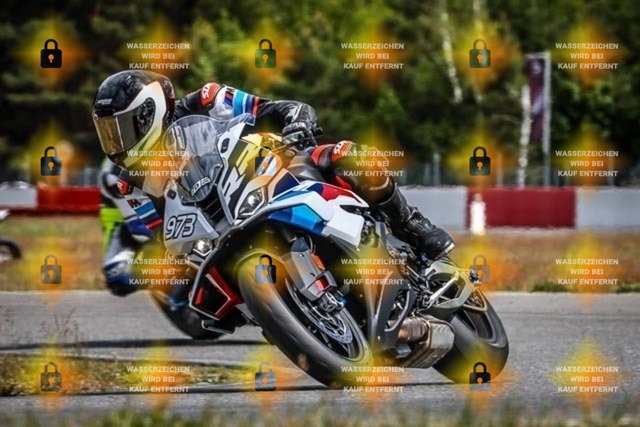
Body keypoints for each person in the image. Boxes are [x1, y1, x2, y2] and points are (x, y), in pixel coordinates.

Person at [92, 71, 454, 260]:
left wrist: (297, 121)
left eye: (121, 128)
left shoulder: (208, 99)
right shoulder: (131, 183)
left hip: (270, 170)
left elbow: (270, 108)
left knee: (348, 156)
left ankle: (410, 224)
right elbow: (162, 239)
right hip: (221, 231)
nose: (116, 142)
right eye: (107, 132)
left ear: (149, 112)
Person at [98, 157, 152, 296]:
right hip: (119, 216)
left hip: (150, 203)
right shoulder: (113, 169)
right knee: (118, 279)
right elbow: (139, 228)